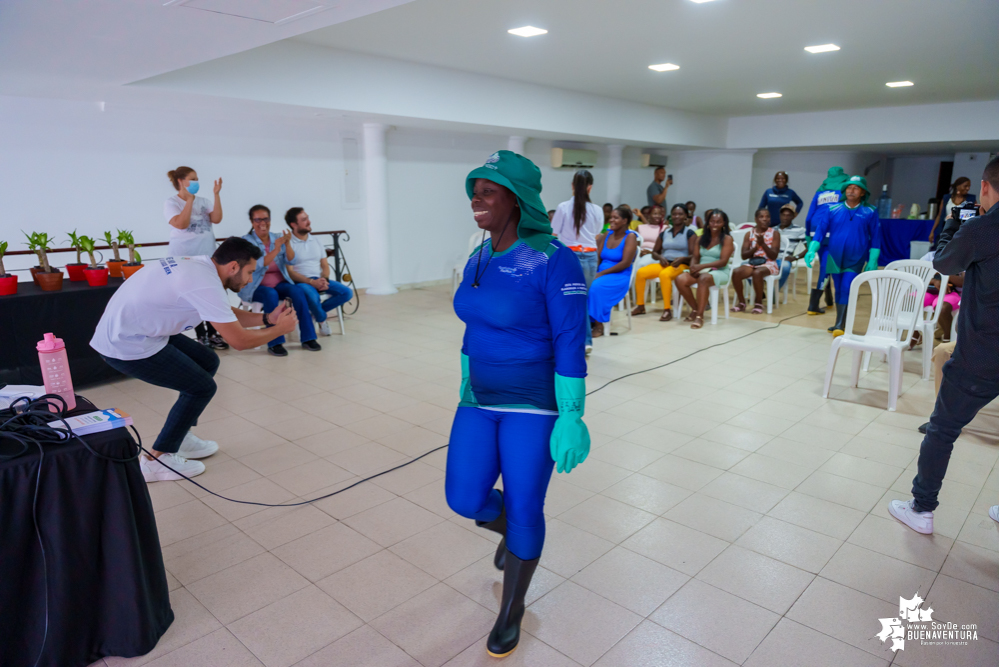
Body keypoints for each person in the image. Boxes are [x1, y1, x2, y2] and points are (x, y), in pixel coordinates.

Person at [451, 150, 590, 658]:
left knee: (528, 506)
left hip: (534, 403)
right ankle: (514, 532)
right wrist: (466, 377)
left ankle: (512, 609)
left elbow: (573, 338)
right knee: (464, 499)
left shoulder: (555, 258)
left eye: (489, 190)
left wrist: (573, 416)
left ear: (518, 199)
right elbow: (473, 323)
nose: (477, 198)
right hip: (478, 398)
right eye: (475, 188)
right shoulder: (478, 255)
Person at [91, 238, 298, 482]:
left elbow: (223, 312)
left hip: (140, 329)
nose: (251, 279)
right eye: (250, 272)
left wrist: (267, 319)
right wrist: (280, 329)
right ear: (233, 266)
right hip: (126, 342)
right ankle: (156, 460)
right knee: (201, 388)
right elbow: (239, 342)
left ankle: (181, 436)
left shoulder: (201, 266)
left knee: (207, 361)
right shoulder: (205, 283)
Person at [888, 155, 999, 535]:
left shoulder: (985, 227)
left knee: (942, 429)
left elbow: (943, 263)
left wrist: (953, 224)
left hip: (983, 353)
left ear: (985, 187)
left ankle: (920, 509)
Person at [805, 175, 881, 336]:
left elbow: (876, 237)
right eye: (849, 187)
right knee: (838, 288)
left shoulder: (870, 211)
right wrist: (811, 249)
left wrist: (873, 259)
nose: (851, 190)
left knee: (847, 286)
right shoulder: (832, 209)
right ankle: (839, 322)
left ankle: (840, 324)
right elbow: (820, 233)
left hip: (856, 257)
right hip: (834, 256)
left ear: (862, 192)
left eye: (856, 187)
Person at [238, 205, 319, 356]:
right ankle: (275, 342)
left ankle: (308, 338)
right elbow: (259, 264)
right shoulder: (246, 241)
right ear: (251, 221)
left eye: (266, 219)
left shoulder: (277, 237)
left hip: (279, 283)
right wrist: (276, 249)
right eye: (258, 219)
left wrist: (287, 244)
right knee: (270, 294)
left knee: (297, 290)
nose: (262, 222)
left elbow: (292, 260)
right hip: (255, 287)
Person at [164, 166, 227, 349]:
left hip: (207, 256)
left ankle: (214, 333)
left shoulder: (204, 201)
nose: (196, 182)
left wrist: (217, 195)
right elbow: (181, 224)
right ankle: (201, 335)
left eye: (197, 179)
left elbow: (216, 218)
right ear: (181, 182)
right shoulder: (171, 203)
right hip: (184, 259)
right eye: (192, 179)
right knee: (195, 296)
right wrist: (189, 201)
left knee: (212, 294)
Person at [550, 170, 603, 352]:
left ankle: (566, 341)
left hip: (569, 256)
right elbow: (596, 233)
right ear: (590, 187)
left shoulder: (563, 207)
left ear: (572, 186)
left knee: (566, 300)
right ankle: (586, 342)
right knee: (582, 299)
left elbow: (553, 233)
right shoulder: (597, 210)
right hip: (590, 256)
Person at [285, 207, 354, 337]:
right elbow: (290, 272)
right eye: (304, 220)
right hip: (301, 282)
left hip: (318, 278)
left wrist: (325, 279)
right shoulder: (289, 244)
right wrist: (312, 282)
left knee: (346, 292)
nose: (309, 222)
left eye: (308, 218)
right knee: (313, 297)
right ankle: (321, 319)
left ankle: (314, 313)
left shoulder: (316, 240)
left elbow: (324, 265)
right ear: (293, 224)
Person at [632, 204, 695, 321]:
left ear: (686, 216)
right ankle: (640, 306)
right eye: (674, 214)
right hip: (665, 263)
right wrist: (660, 257)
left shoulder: (689, 233)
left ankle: (667, 310)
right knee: (641, 272)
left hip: (681, 265)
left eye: (680, 214)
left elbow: (693, 256)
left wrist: (682, 259)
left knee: (664, 275)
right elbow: (655, 252)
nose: (677, 216)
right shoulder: (665, 233)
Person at [675, 210, 735, 329]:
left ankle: (699, 316)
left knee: (703, 278)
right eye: (712, 221)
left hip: (719, 271)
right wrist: (693, 267)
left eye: (718, 222)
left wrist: (701, 267)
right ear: (708, 222)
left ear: (724, 223)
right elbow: (695, 257)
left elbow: (723, 261)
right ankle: (696, 309)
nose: (714, 224)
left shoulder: (727, 239)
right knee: (680, 279)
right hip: (701, 269)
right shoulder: (701, 238)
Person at [588, 206, 639, 338]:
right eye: (611, 217)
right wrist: (594, 271)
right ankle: (586, 322)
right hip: (602, 272)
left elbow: (626, 263)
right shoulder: (607, 234)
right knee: (582, 284)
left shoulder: (630, 237)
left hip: (619, 275)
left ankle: (598, 325)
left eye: (615, 218)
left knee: (595, 287)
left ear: (624, 221)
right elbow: (598, 257)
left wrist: (601, 274)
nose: (611, 220)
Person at [804, 167, 849, 315]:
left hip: (815, 229)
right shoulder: (844, 190)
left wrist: (809, 237)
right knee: (826, 267)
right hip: (833, 230)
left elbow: (809, 216)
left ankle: (826, 297)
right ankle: (813, 305)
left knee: (825, 263)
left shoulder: (820, 191)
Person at [730, 209, 781, 314]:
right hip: (753, 262)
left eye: (767, 217)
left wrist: (763, 244)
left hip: (769, 263)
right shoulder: (749, 234)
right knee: (736, 272)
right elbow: (744, 256)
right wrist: (756, 247)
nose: (765, 219)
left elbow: (774, 255)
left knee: (757, 273)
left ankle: (758, 303)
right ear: (756, 219)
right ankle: (742, 302)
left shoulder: (775, 233)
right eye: (761, 217)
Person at [929, 177, 976, 247]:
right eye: (965, 186)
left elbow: (975, 216)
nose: (968, 188)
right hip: (946, 228)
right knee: (941, 249)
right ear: (958, 186)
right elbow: (939, 216)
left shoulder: (971, 199)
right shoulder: (946, 198)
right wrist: (932, 231)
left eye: (969, 186)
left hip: (962, 230)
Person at [776, 202, 808, 290]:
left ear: (793, 216)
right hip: (770, 258)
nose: (785, 217)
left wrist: (795, 257)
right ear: (780, 216)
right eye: (783, 215)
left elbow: (809, 248)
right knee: (748, 266)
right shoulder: (773, 229)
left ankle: (774, 291)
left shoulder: (799, 230)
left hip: (784, 259)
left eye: (788, 215)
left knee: (785, 267)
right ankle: (760, 292)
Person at [634, 205, 666, 269]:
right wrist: (639, 252)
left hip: (654, 255)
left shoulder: (665, 229)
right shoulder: (640, 227)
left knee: (641, 264)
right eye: (655, 214)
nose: (657, 216)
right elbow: (633, 243)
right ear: (649, 215)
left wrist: (650, 252)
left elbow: (665, 247)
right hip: (638, 253)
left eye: (659, 214)